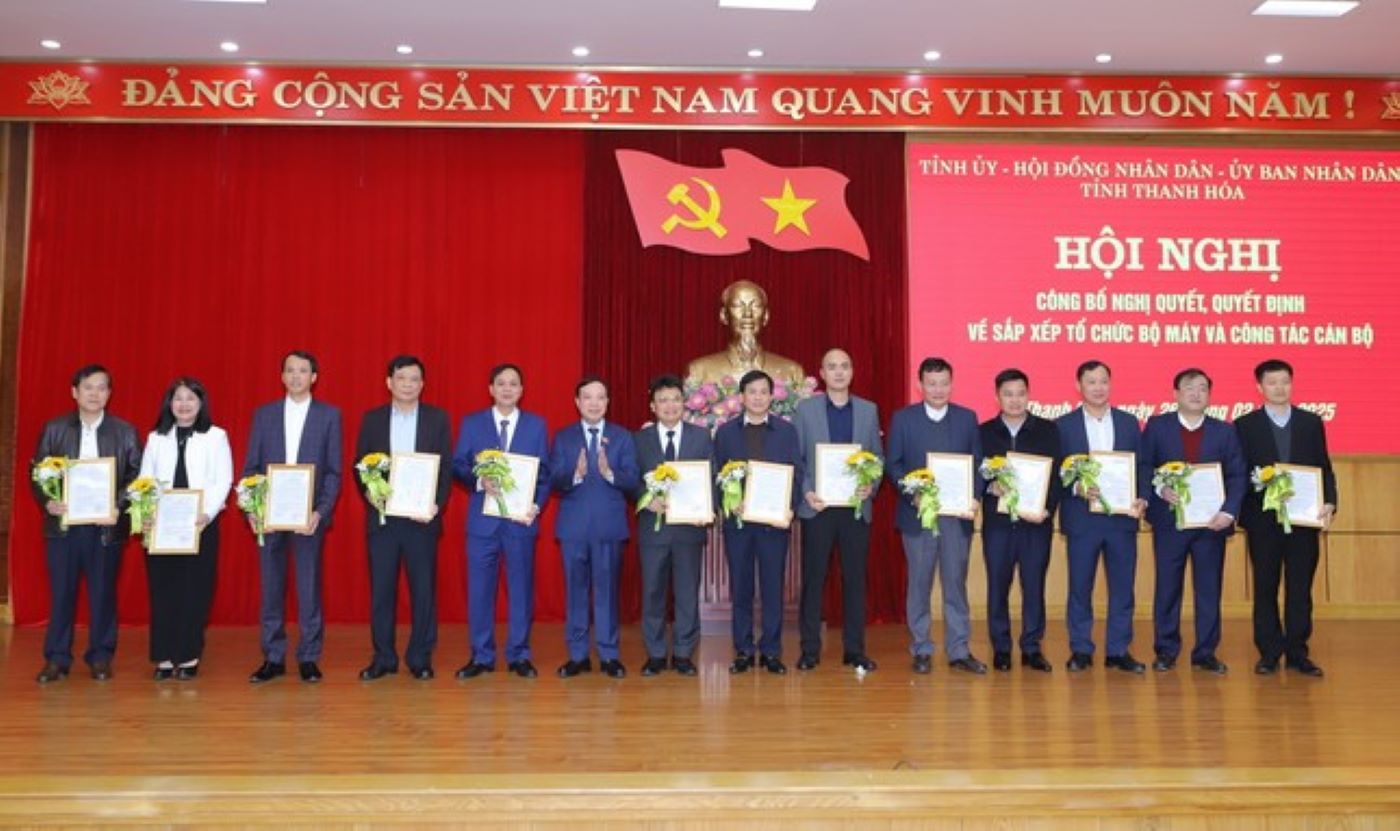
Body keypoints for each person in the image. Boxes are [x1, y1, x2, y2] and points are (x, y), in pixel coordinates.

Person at [32, 364, 141, 684]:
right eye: (88, 387)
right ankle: (56, 658)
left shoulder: (125, 432)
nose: (95, 394)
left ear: (109, 393)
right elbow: (38, 473)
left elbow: (136, 476)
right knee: (62, 594)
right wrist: (47, 501)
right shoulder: (54, 429)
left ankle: (101, 656)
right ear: (75, 392)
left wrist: (118, 506)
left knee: (103, 594)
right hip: (64, 527)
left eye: (102, 387)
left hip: (105, 528)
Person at [243, 350, 343, 684]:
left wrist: (320, 511)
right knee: (271, 588)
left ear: (314, 377)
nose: (297, 376)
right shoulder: (264, 415)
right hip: (269, 517)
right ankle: (272, 657)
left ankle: (309, 657)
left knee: (308, 588)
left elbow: (333, 472)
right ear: (282, 376)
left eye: (304, 371)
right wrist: (253, 509)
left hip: (308, 518)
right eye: (290, 370)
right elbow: (251, 470)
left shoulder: (329, 416)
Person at [1139, 368, 1246, 675]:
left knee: (1209, 589)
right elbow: (1146, 466)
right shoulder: (1158, 426)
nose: (1196, 394)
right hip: (1170, 522)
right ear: (1176, 394)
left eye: (1202, 388)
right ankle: (1166, 650)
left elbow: (1237, 475)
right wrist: (1159, 489)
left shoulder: (1224, 431)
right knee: (1168, 588)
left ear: (1209, 395)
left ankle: (1205, 652)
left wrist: (1228, 512)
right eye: (1189, 388)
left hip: (1211, 524)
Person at [1235, 358, 1337, 678]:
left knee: (1300, 588)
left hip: (1304, 520)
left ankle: (1297, 652)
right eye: (1272, 382)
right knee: (1265, 587)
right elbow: (1239, 474)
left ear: (1292, 384)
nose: (1279, 388)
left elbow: (1324, 467)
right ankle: (1269, 652)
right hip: (1263, 521)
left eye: (1285, 382)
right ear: (1259, 387)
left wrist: (1330, 502)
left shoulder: (1310, 422)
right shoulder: (1244, 425)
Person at [355, 356, 454, 682]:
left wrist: (434, 506)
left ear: (422, 385)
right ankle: (383, 657)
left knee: (423, 591)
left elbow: (444, 470)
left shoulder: (437, 419)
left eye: (414, 379)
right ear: (389, 382)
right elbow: (360, 465)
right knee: (382, 591)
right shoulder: (372, 420)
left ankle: (420, 656)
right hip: (382, 520)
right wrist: (370, 492)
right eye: (402, 378)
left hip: (420, 520)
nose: (408, 384)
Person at [886, 357, 986, 675]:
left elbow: (978, 465)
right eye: (932, 383)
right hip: (917, 518)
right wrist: (911, 491)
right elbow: (894, 464)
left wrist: (974, 495)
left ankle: (959, 649)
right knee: (919, 583)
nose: (938, 389)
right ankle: (922, 648)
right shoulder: (903, 419)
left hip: (956, 517)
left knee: (955, 583)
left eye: (944, 383)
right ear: (920, 385)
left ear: (952, 384)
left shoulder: (968, 418)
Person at [451, 363, 551, 680]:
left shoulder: (536, 426)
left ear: (522, 390)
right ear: (491, 389)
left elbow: (544, 474)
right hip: (482, 523)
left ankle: (519, 655)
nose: (507, 389)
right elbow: (457, 465)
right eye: (501, 383)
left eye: (513, 384)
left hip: (520, 522)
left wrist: (535, 505)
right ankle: (481, 656)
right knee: (480, 591)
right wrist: (480, 482)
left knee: (521, 590)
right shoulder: (472, 423)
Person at [1056, 360, 1148, 674]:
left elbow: (1142, 467)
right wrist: (1077, 486)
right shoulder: (1063, 425)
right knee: (1080, 587)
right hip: (1082, 519)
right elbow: (1057, 473)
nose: (1098, 387)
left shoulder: (1128, 422)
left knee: (1123, 588)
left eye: (1103, 381)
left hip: (1122, 519)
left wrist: (1142, 497)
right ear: (1078, 386)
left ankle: (1118, 650)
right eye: (1091, 382)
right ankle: (1081, 649)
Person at [793, 348, 882, 672]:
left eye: (845, 366)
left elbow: (877, 458)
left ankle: (854, 650)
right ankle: (809, 650)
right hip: (819, 507)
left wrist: (870, 484)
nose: (839, 372)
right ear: (822, 373)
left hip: (855, 508)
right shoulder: (805, 410)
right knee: (814, 579)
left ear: (852, 371)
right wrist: (806, 492)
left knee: (855, 579)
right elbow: (797, 460)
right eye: (832, 367)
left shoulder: (868, 411)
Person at [139, 377, 232, 681]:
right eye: (178, 398)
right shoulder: (156, 438)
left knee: (195, 591)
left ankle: (189, 656)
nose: (183, 404)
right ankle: (164, 658)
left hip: (200, 527)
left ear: (201, 403)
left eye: (190, 398)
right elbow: (145, 480)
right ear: (169, 403)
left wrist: (206, 514)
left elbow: (223, 480)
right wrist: (146, 514)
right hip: (162, 529)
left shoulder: (216, 437)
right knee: (163, 590)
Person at [712, 369, 803, 675]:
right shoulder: (725, 433)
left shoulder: (786, 431)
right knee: (741, 588)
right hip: (738, 525)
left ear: (771, 396)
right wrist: (729, 502)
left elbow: (797, 474)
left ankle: (772, 651)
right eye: (752, 392)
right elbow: (717, 476)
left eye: (764, 392)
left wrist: (789, 507)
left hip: (773, 524)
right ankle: (743, 650)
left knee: (772, 588)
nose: (758, 397)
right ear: (741, 397)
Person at [549, 376, 640, 679]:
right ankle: (577, 656)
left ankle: (609, 655)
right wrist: (574, 474)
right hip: (573, 528)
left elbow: (633, 480)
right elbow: (554, 480)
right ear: (577, 402)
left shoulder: (622, 437)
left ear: (607, 402)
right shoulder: (563, 438)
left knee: (606, 593)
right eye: (587, 397)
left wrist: (610, 473)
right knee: (576, 593)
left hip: (609, 528)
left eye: (600, 398)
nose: (594, 403)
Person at [978, 368, 1060, 673]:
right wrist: (989, 487)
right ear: (997, 396)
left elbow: (1056, 478)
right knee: (998, 586)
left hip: (1035, 524)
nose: (1015, 400)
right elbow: (975, 476)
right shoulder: (983, 432)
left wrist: (1047, 508)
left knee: (1034, 585)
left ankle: (1031, 648)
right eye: (1008, 394)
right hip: (998, 525)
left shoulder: (1047, 431)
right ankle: (1001, 648)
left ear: (1029, 394)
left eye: (1020, 393)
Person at [633, 374, 713, 677]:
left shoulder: (701, 437)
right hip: (653, 529)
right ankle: (655, 654)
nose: (670, 406)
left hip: (689, 529)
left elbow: (711, 478)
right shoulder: (639, 439)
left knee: (686, 592)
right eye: (663, 400)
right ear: (653, 406)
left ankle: (682, 653)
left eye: (675, 399)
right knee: (652, 592)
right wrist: (644, 498)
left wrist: (708, 508)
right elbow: (630, 478)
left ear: (684, 404)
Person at [686, 280, 804, 387]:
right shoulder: (699, 371)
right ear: (724, 315)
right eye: (738, 306)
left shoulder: (791, 371)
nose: (747, 314)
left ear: (766, 316)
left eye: (756, 306)